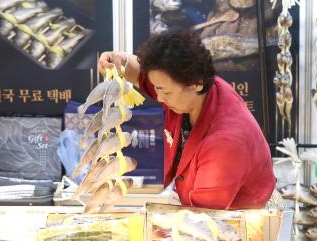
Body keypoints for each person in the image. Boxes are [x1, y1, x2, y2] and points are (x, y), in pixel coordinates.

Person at [97, 30, 276, 209]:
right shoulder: (189, 90)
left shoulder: (225, 143)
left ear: (196, 83)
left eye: (165, 91)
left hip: (235, 219)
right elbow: (143, 73)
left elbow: (202, 218)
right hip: (194, 201)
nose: (158, 97)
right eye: (157, 88)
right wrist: (118, 60)